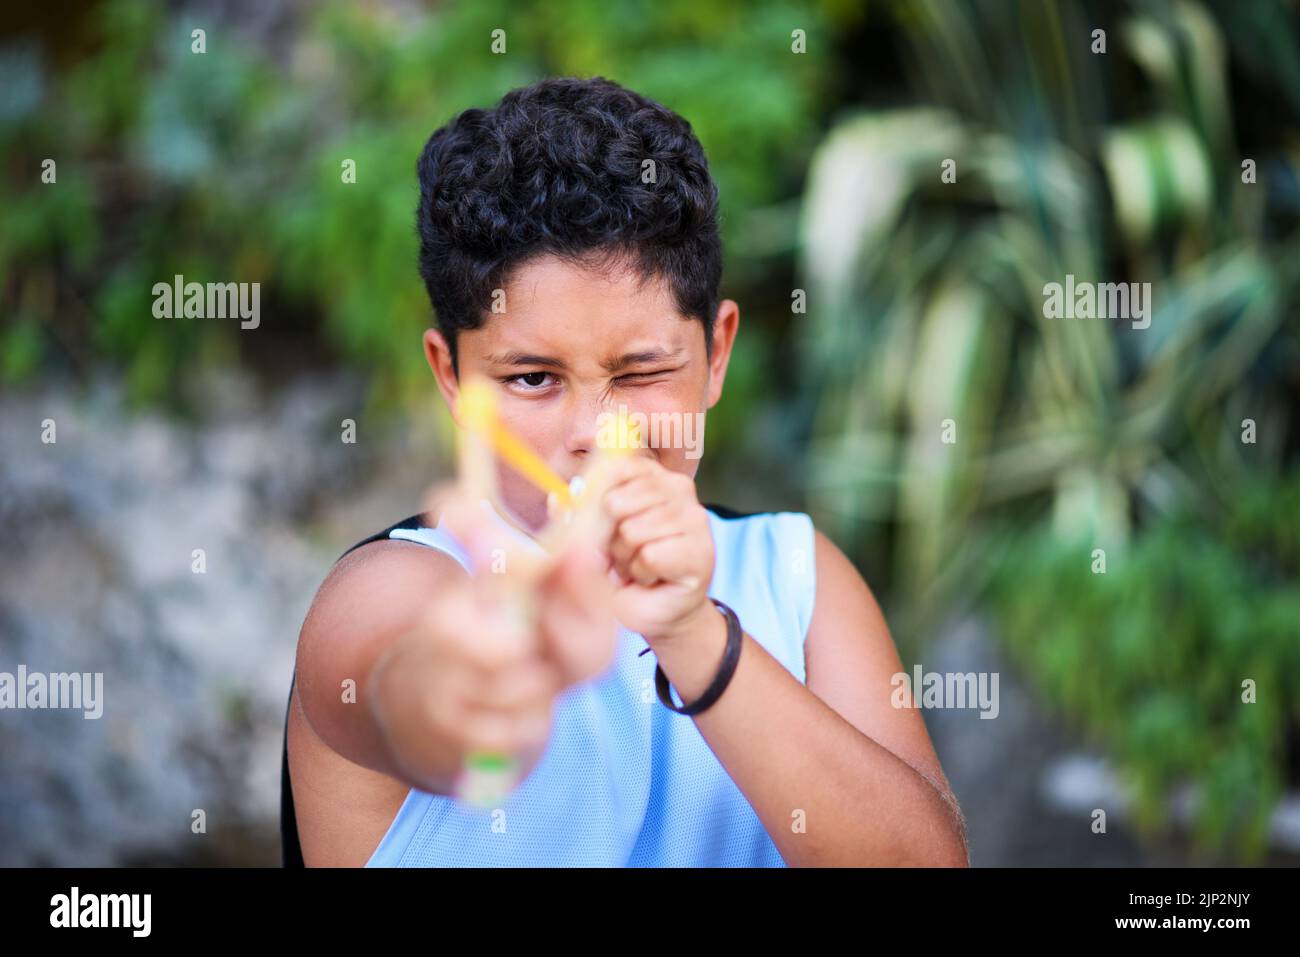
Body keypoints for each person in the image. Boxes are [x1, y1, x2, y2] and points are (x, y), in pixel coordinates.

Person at [281, 75, 968, 867]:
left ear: (716, 355)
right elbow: (419, 692)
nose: (594, 435)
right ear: (452, 378)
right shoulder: (388, 595)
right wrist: (502, 666)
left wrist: (691, 632)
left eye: (640, 373)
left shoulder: (797, 579)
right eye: (531, 378)